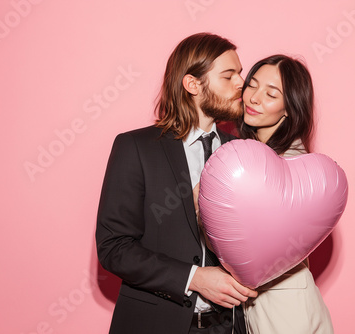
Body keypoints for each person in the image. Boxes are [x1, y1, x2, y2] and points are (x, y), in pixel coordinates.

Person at [95, 32, 257, 334]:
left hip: (228, 326)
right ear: (193, 84)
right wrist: (194, 278)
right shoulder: (137, 147)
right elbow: (114, 247)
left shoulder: (245, 151)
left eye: (240, 73)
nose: (240, 83)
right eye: (228, 76)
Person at [239, 55, 334, 334]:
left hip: (287, 309)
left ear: (290, 109)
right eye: (251, 85)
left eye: (271, 94)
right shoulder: (254, 156)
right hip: (262, 306)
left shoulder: (292, 166)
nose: (254, 98)